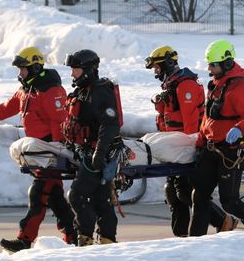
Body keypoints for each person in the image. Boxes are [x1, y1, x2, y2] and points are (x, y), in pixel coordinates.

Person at [145, 45, 238, 237]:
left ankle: (222, 221)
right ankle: (186, 239)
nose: (155, 71)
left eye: (157, 67)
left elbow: (190, 122)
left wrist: (190, 148)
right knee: (179, 194)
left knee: (189, 193)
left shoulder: (185, 85)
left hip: (189, 147)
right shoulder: (173, 84)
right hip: (179, 146)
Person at [0, 47, 77, 252]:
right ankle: (72, 234)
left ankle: (25, 239)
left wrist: (57, 147)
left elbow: (59, 120)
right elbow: (6, 108)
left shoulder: (50, 90)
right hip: (38, 151)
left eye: (23, 69)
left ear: (34, 67)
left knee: (39, 193)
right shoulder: (26, 90)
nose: (20, 74)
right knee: (54, 196)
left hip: (51, 149)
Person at [62, 49, 123, 246]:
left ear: (88, 70)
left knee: (77, 195)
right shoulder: (82, 91)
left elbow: (110, 124)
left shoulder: (100, 91)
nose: (72, 74)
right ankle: (106, 242)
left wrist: (100, 151)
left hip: (99, 155)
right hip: (85, 152)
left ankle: (85, 239)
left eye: (76, 69)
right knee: (100, 200)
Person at [189, 40, 244, 236]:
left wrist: (239, 128)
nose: (209, 69)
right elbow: (209, 117)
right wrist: (200, 142)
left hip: (230, 152)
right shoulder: (215, 84)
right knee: (199, 195)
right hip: (211, 149)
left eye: (213, 64)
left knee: (230, 201)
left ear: (227, 63)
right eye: (209, 64)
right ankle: (196, 240)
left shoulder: (238, 87)